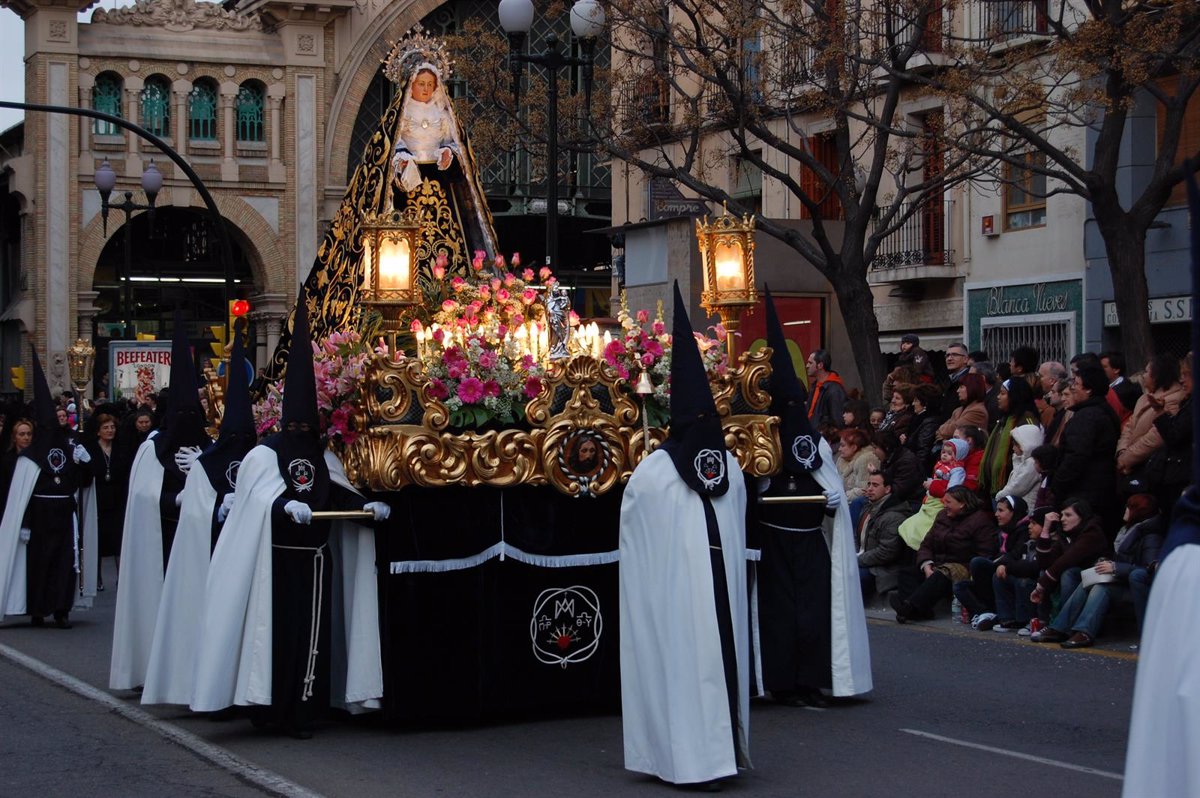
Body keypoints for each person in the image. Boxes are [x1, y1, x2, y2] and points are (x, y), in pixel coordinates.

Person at [191, 301, 389, 738]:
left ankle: (305, 709)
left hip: (317, 561)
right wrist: (282, 506)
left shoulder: (321, 453)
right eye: (296, 422)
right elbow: (252, 502)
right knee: (277, 637)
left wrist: (366, 510)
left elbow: (333, 491)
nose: (302, 429)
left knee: (313, 638)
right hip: (275, 564)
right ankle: (270, 707)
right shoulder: (265, 454)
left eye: (308, 422)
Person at [619, 283, 750, 788]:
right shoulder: (731, 466)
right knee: (715, 660)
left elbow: (634, 541)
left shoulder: (654, 470)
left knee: (682, 666)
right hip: (717, 585)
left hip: (674, 595)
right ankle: (718, 754)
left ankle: (688, 757)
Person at [142, 328, 258, 707]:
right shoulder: (155, 450)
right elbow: (146, 498)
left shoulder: (223, 454)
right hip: (179, 540)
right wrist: (183, 499)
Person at [111, 318, 214, 691]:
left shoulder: (209, 447)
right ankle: (153, 669)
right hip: (164, 540)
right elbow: (140, 498)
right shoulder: (152, 449)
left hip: (200, 544)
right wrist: (175, 498)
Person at [0, 350, 91, 628]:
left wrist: (85, 463)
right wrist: (24, 523)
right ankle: (38, 609)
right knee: (39, 564)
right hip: (39, 516)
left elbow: (82, 482)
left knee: (65, 565)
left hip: (64, 513)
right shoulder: (28, 458)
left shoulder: (70, 447)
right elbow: (21, 495)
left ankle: (62, 610)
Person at [390, 61, 497, 273]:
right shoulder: (400, 114)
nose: (426, 88)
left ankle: (452, 273)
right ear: (410, 84)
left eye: (430, 84)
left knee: (447, 231)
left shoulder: (443, 113)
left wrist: (448, 151)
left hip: (439, 179)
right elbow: (391, 143)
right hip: (411, 179)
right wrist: (401, 158)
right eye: (421, 83)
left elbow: (455, 141)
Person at [1037, 494, 1164, 649]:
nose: (1125, 510)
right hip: (1122, 581)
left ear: (1139, 511)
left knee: (1096, 585)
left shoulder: (1150, 536)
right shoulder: (1128, 531)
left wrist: (1116, 567)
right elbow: (1044, 564)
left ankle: (1080, 631)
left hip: (1136, 587)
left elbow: (1148, 569)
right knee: (1090, 582)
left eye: (1129, 507)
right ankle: (1065, 629)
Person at [891, 486, 998, 622]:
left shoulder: (980, 521)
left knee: (941, 575)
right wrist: (926, 564)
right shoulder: (942, 516)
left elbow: (985, 553)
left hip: (961, 567)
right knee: (907, 573)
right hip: (938, 564)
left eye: (948, 502)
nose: (944, 505)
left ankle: (909, 608)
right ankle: (920, 611)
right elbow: (927, 544)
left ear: (962, 504)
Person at [1028, 498, 1111, 635]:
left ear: (1081, 516)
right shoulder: (1066, 535)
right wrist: (1046, 530)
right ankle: (1045, 621)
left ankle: (1063, 625)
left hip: (1094, 577)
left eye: (1068, 515)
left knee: (1068, 573)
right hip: (1080, 577)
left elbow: (1068, 559)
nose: (1062, 519)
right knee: (1045, 572)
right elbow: (1044, 563)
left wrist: (1041, 586)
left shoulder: (1092, 532)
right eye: (1062, 515)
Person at [1051, 367, 1120, 528]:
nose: (1072, 387)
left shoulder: (1087, 417)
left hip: (1085, 493)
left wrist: (1058, 483)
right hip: (1096, 489)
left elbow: (1076, 456)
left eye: (1077, 383)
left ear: (1088, 389)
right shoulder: (1100, 411)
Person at [954, 494, 1027, 627]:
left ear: (1014, 512)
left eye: (1001, 510)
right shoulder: (1003, 531)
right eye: (996, 510)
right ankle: (985, 613)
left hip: (1012, 571)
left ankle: (999, 616)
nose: (996, 514)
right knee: (960, 587)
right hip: (999, 568)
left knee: (978, 563)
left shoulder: (1023, 531)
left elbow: (1015, 555)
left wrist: (1000, 564)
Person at [1116, 353, 1184, 487]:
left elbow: (1155, 437)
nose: (1143, 376)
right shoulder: (1144, 398)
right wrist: (1122, 451)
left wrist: (1127, 458)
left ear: (1158, 375)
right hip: (1129, 463)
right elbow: (1129, 426)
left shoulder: (1174, 399)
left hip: (1150, 467)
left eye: (1147, 371)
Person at [81, 412, 125, 593]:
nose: (110, 430)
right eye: (106, 428)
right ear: (98, 431)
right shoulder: (91, 449)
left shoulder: (120, 448)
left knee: (118, 539)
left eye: (112, 427)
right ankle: (96, 577)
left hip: (116, 497)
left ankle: (121, 576)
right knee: (97, 538)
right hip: (98, 497)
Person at [978, 377, 1039, 499]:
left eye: (1003, 393)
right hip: (994, 487)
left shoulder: (1026, 420)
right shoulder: (1004, 419)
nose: (998, 397)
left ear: (1015, 396)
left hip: (1011, 489)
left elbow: (1027, 458)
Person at [857, 471, 912, 603]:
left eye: (875, 485)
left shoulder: (894, 516)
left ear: (887, 489)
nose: (869, 488)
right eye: (869, 484)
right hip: (864, 559)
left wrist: (856, 560)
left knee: (851, 577)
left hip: (881, 570)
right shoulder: (868, 507)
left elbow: (887, 552)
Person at [994, 424, 1043, 510]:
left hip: (1026, 508)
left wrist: (999, 496)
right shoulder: (1022, 461)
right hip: (1018, 506)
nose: (1013, 448)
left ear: (1026, 444)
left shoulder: (1031, 464)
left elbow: (1018, 487)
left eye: (1016, 445)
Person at [935, 372, 988, 444]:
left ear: (972, 387)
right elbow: (941, 429)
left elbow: (954, 429)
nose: (957, 391)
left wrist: (944, 433)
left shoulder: (978, 411)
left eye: (961, 387)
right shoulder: (958, 410)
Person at [901, 382, 942, 477]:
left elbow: (923, 451)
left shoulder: (930, 423)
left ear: (925, 402)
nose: (913, 403)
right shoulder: (918, 419)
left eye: (916, 400)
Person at [806, 349, 847, 429]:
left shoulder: (834, 390)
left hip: (824, 438)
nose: (807, 366)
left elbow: (838, 421)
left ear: (820, 365)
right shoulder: (815, 386)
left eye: (810, 363)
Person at [835, 427, 878, 504]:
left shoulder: (866, 460)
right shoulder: (841, 459)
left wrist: (841, 497)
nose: (839, 449)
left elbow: (863, 490)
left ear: (854, 447)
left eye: (842, 445)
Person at [1101, 350, 1141, 427]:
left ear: (1116, 370)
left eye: (1104, 367)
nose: (1100, 370)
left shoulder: (1123, 391)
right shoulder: (1110, 388)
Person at [941, 343, 971, 414]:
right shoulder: (948, 379)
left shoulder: (970, 380)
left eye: (954, 355)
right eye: (947, 355)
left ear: (965, 359)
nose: (949, 359)